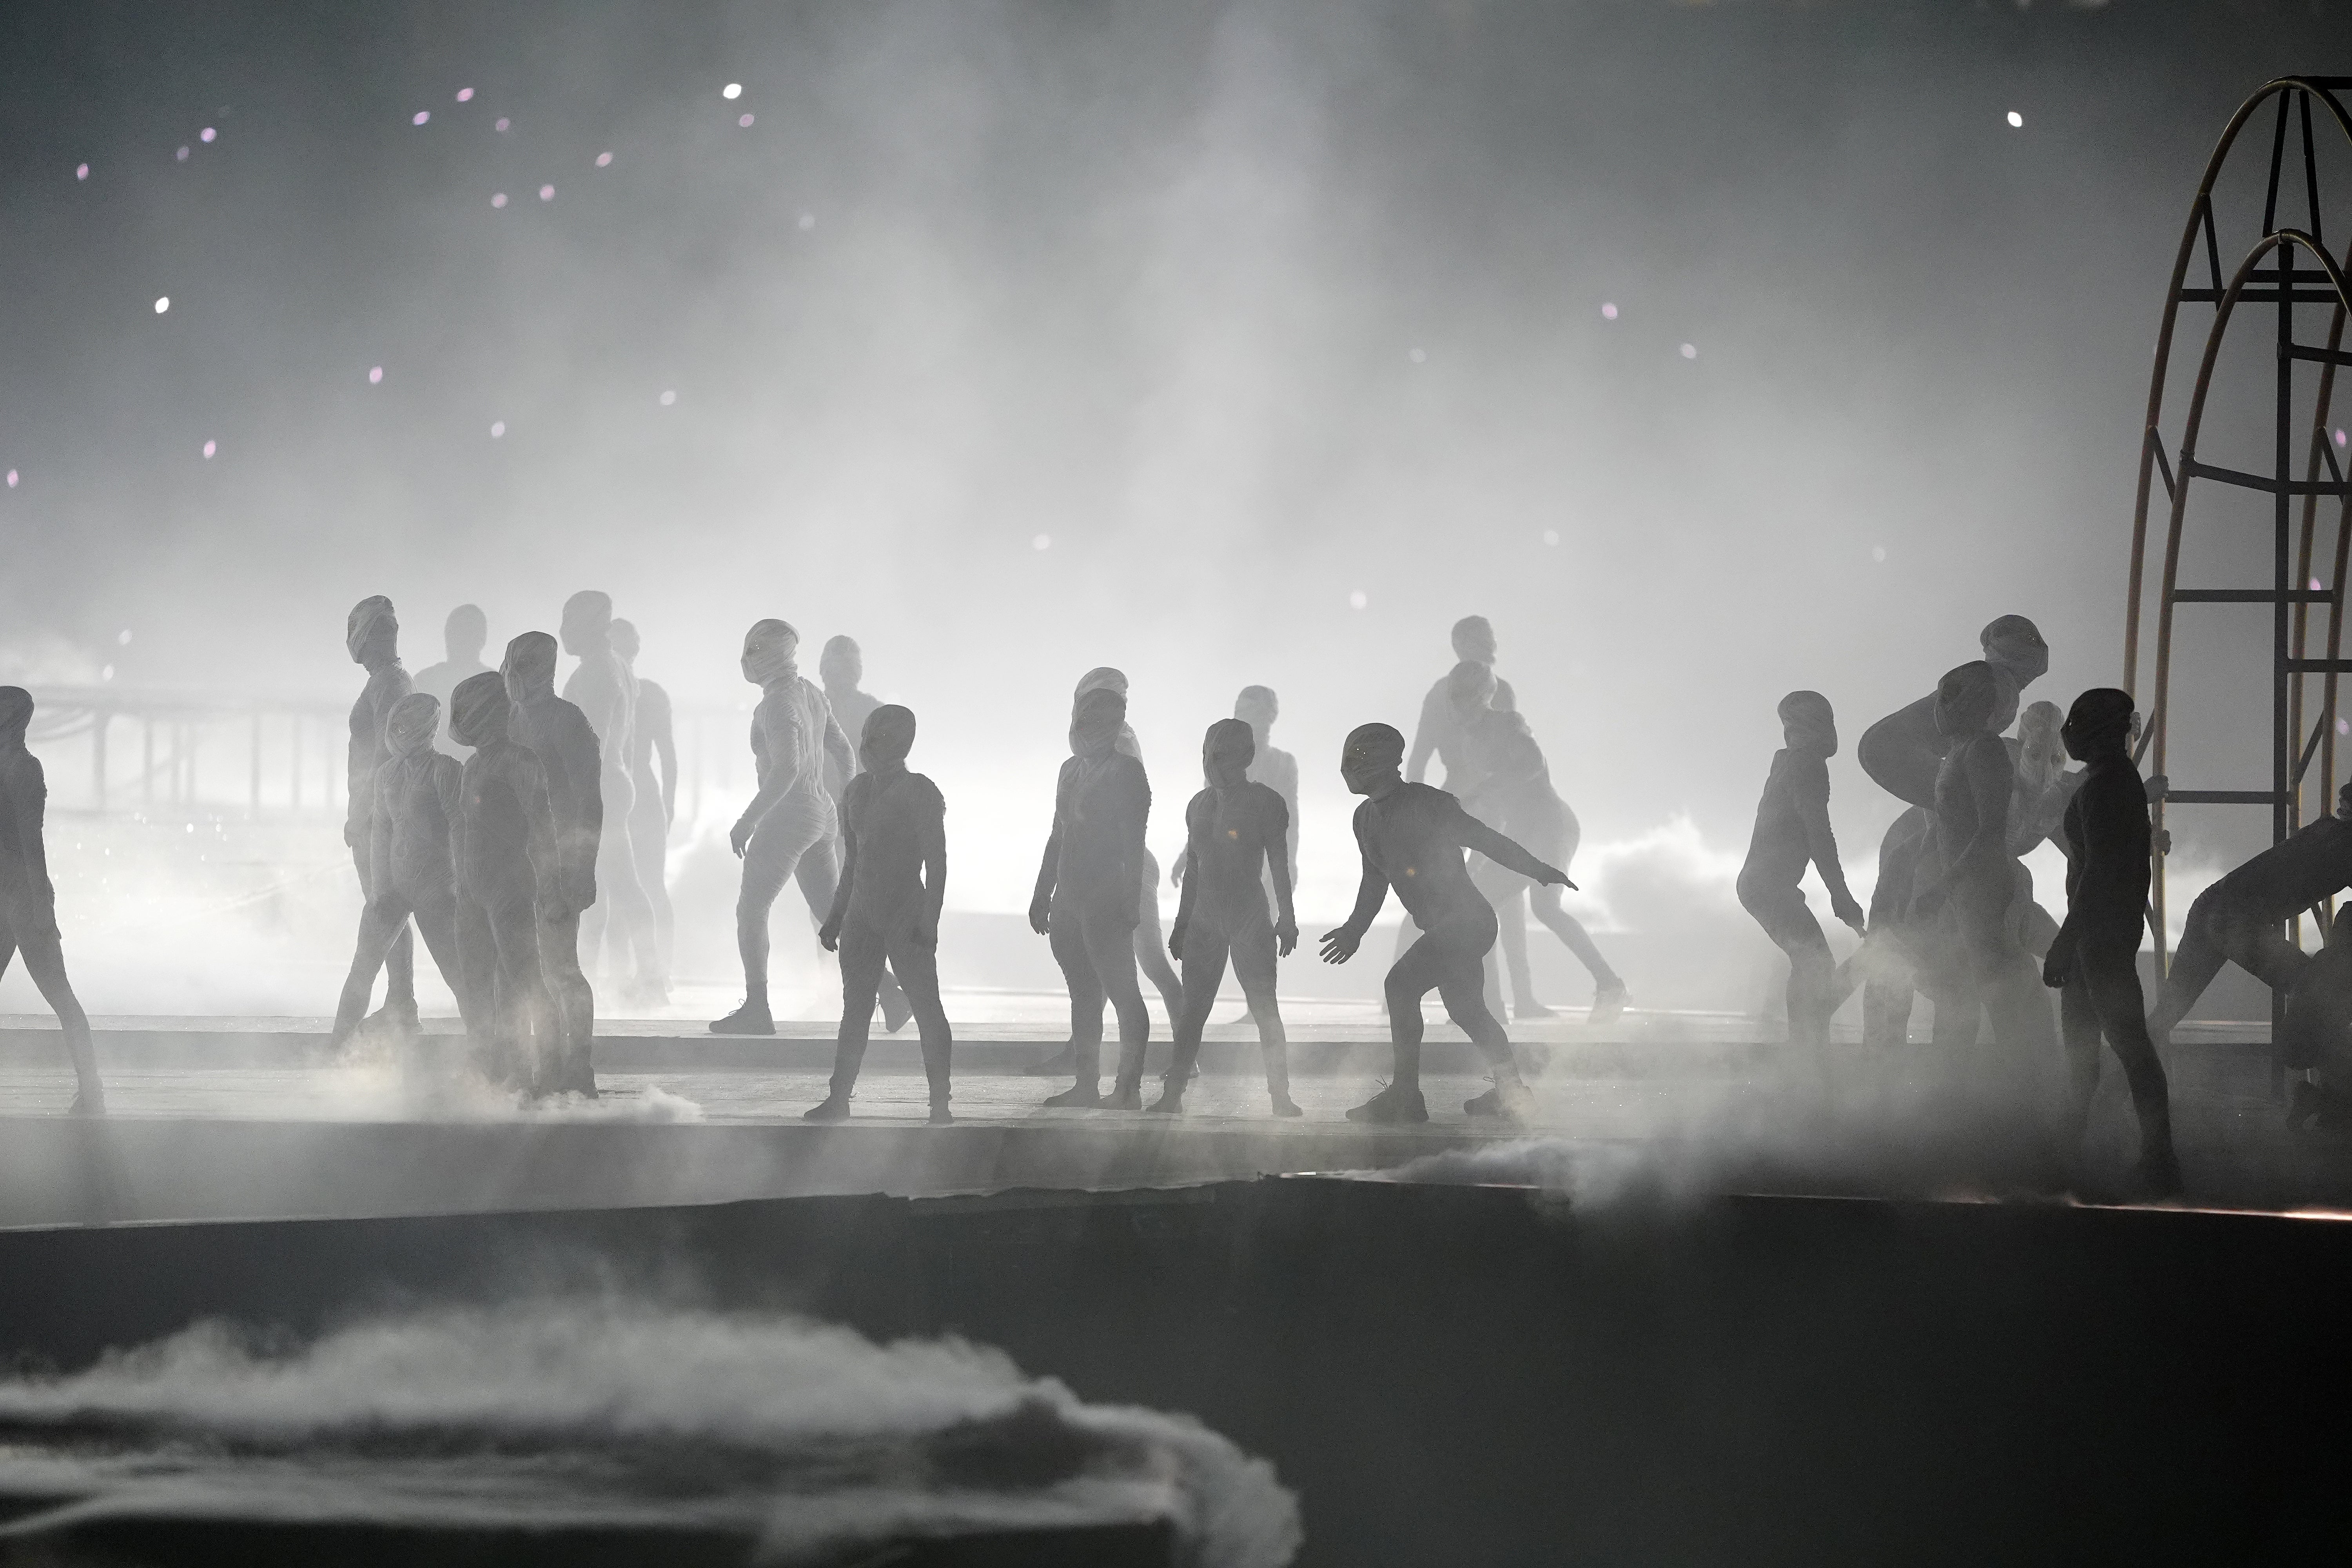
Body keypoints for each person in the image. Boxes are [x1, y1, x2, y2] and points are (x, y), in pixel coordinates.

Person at [1318, 722, 1572, 1124]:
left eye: (1361, 759)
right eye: (1350, 757)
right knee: (1469, 1010)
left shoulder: (1430, 803)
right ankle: (1512, 1094)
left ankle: (1406, 1096)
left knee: (1399, 986)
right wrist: (1354, 929)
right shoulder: (1364, 818)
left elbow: (1485, 839)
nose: (1350, 768)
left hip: (1467, 923)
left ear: (1388, 763)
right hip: (1443, 928)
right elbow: (1374, 879)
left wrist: (1538, 869)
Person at [1855, 614, 2049, 1044]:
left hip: (1897, 754)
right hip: (1901, 756)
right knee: (1950, 809)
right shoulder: (1992, 692)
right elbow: (1986, 826)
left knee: (1948, 807)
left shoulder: (1991, 698)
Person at [2041, 688, 2178, 1195]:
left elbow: (2099, 873)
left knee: (2128, 1049)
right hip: (2099, 938)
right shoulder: (2116, 783)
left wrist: (2063, 942)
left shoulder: (2107, 787)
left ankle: (2160, 1161)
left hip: (2099, 941)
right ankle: (2068, 1156)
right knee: (2089, 1057)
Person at [1453, 666, 1628, 1024]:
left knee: (1546, 907)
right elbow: (1487, 807)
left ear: (1485, 697)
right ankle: (1490, 1005)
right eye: (1456, 700)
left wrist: (1486, 789)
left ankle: (1610, 986)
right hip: (1519, 831)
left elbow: (1533, 764)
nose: (1462, 708)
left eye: (1469, 698)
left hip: (1551, 825)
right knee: (1476, 909)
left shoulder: (1509, 724)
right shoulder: (1470, 746)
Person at [810, 705, 953, 1124]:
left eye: (884, 739)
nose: (873, 746)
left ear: (903, 743)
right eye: (872, 737)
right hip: (863, 913)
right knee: (855, 1009)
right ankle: (839, 1098)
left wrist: (930, 921)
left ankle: (940, 1102)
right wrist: (837, 916)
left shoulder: (920, 791)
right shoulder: (856, 791)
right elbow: (853, 862)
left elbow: (938, 863)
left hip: (904, 909)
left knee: (927, 1007)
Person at [1152, 718, 1301, 1117]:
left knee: (1264, 1007)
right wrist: (1182, 923)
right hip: (1205, 917)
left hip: (1249, 914)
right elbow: (1195, 869)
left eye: (1221, 756)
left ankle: (1280, 1095)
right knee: (1193, 1012)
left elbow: (1279, 864)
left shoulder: (1267, 802)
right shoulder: (1198, 805)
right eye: (1206, 754)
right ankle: (1172, 1095)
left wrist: (1287, 917)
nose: (1212, 764)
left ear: (1247, 757)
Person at [1910, 661, 2056, 1055]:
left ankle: (2032, 1099)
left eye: (1950, 694)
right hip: (1968, 900)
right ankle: (1965, 1099)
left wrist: (1942, 888)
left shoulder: (1983, 749)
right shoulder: (1964, 751)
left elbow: (1990, 833)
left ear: (1978, 702)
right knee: (1963, 1002)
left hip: (1987, 900)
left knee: (2010, 1004)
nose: (1940, 706)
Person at [713, 620, 851, 1035]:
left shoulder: (776, 704)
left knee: (752, 909)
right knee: (829, 911)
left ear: (765, 656)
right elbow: (842, 750)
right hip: (820, 812)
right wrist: (842, 803)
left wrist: (747, 820)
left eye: (752, 651)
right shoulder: (810, 693)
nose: (745, 660)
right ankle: (889, 988)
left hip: (788, 816)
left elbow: (787, 768)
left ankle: (757, 1007)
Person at [2146, 780, 2352, 1045]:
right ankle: (2333, 1081)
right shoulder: (2345, 844)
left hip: (2212, 906)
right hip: (2235, 920)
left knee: (2165, 1015)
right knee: (2321, 997)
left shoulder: (2326, 828)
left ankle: (2111, 1077)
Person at [1031, 685, 1154, 1108]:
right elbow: (1058, 834)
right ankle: (1087, 1084)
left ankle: (1128, 1087)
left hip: (1105, 894)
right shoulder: (1070, 769)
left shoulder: (1127, 772)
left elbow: (1133, 842)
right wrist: (1042, 891)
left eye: (1101, 722)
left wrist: (1131, 901)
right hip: (1069, 894)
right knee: (1083, 994)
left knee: (1122, 992)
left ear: (1117, 725)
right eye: (1085, 720)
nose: (1089, 730)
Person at [326, 693, 468, 1053]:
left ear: (427, 728)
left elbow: (461, 830)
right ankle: (336, 1049)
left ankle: (491, 1052)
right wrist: (379, 889)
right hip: (394, 888)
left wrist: (466, 886)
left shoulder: (446, 771)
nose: (398, 732)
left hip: (437, 888)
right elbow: (381, 832)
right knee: (363, 968)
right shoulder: (388, 774)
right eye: (396, 726)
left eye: (406, 726)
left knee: (460, 975)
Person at [446, 672, 564, 1091]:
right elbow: (463, 828)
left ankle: (549, 1070)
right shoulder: (474, 765)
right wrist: (459, 879)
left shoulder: (519, 760)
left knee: (525, 980)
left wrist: (552, 887)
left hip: (509, 884)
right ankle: (493, 1068)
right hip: (475, 888)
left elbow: (541, 823)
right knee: (479, 986)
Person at [1735, 691, 1867, 1047]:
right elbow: (1818, 833)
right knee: (1815, 964)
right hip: (1767, 885)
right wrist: (1841, 895)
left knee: (1810, 964)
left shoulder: (1788, 761)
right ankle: (1808, 1051)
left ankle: (1808, 1048)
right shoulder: (1807, 762)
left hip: (1762, 885)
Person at [501, 630, 600, 1096]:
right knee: (528, 971)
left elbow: (589, 801)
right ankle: (550, 1066)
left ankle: (579, 1067)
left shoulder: (567, 722)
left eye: (523, 665)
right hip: (519, 862)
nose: (514, 674)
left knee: (560, 967)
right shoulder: (513, 720)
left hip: (556, 860)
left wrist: (582, 868)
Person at [0, 687, 104, 1114]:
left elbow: (32, 844)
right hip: (8, 894)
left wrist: (42, 905)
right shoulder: (13, 766)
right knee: (61, 994)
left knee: (59, 993)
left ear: (18, 719)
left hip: (24, 897)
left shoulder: (25, 769)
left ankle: (92, 1089)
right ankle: (92, 1089)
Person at [561, 591, 655, 1001]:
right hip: (612, 783)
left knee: (616, 884)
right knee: (612, 885)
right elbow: (625, 743)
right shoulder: (613, 666)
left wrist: (575, 794)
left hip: (597, 786)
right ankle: (627, 977)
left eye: (569, 621)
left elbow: (590, 742)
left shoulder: (599, 671)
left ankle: (648, 979)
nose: (564, 630)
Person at [817, 633, 911, 1033]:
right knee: (827, 906)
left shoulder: (872, 711)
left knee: (846, 909)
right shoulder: (815, 705)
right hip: (822, 816)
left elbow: (893, 767)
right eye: (832, 665)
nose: (837, 674)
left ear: (856, 671)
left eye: (845, 666)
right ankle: (853, 988)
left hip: (857, 821)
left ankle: (878, 989)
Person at [342, 596, 417, 1034]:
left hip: (378, 817)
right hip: (376, 813)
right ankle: (400, 1001)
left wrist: (364, 814)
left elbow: (386, 755)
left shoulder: (390, 683)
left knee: (384, 909)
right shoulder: (387, 682)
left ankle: (400, 1003)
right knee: (388, 912)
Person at [609, 619, 676, 1004]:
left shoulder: (636, 691)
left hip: (630, 793)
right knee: (636, 885)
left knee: (633, 885)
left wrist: (669, 801)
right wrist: (669, 800)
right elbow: (667, 753)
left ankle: (650, 972)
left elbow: (668, 752)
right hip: (637, 793)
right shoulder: (646, 692)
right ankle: (639, 974)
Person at [412, 604, 490, 758]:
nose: (462, 638)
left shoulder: (496, 684)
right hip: (433, 774)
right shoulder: (426, 680)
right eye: (457, 631)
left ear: (482, 638)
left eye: (468, 632)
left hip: (482, 775)